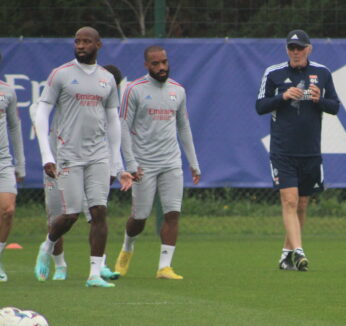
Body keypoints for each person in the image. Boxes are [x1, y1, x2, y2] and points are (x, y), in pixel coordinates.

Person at [33, 27, 132, 288]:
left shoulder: (106, 79)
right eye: (77, 41)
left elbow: (113, 120)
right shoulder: (61, 74)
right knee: (71, 214)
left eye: (86, 41)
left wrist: (114, 161)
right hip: (69, 154)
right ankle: (48, 243)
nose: (80, 45)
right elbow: (41, 113)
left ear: (98, 45)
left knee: (99, 212)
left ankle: (94, 274)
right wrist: (47, 155)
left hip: (98, 155)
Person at [114, 45, 201, 280]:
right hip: (143, 165)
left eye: (164, 62)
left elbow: (183, 126)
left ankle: (164, 267)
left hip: (171, 162)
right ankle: (127, 247)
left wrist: (193, 162)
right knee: (139, 218)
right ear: (146, 65)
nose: (161, 67)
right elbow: (122, 126)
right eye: (155, 64)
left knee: (172, 213)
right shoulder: (134, 90)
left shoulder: (178, 90)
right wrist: (130, 164)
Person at [256, 30, 340, 271]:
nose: (295, 52)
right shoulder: (273, 73)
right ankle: (300, 251)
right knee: (289, 201)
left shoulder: (322, 73)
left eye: (299, 48)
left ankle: (286, 255)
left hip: (310, 151)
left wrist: (318, 99)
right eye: (291, 48)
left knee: (302, 205)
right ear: (286, 50)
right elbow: (260, 106)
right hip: (283, 150)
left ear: (309, 49)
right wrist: (282, 96)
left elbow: (335, 107)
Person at [0, 74, 25, 282]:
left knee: (8, 210)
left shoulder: (7, 91)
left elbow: (14, 127)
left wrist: (21, 165)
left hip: (3, 162)